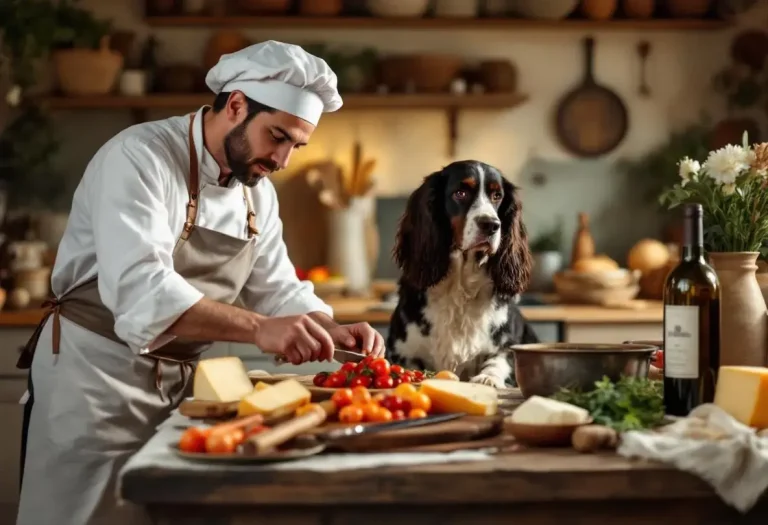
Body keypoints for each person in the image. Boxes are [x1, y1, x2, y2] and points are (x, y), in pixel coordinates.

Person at [16, 40, 385, 525]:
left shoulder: (257, 194)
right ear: (235, 105)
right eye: (276, 136)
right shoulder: (139, 158)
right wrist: (259, 329)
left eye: (296, 145)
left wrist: (326, 327)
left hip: (179, 391)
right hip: (94, 382)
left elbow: (275, 287)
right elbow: (141, 288)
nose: (282, 159)